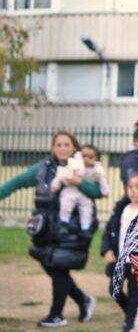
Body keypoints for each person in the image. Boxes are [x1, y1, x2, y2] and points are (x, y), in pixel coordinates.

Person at [0, 131, 102, 327]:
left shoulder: (84, 167)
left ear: (74, 148)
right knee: (50, 264)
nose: (63, 148)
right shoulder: (43, 168)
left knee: (59, 267)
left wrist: (80, 183)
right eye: (59, 144)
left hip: (73, 229)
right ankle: (83, 300)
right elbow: (16, 182)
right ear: (53, 148)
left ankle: (56, 315)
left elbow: (99, 192)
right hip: (47, 229)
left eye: (67, 144)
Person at [102, 171, 138, 332]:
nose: (133, 190)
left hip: (136, 262)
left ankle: (129, 325)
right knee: (114, 290)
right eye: (130, 187)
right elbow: (109, 231)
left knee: (133, 294)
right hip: (120, 260)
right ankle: (133, 313)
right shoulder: (121, 209)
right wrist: (107, 250)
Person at [51, 144, 110, 232]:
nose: (86, 159)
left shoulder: (97, 170)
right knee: (66, 201)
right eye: (84, 156)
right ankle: (63, 222)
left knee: (87, 208)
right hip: (71, 190)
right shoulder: (73, 165)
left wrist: (105, 191)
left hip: (85, 195)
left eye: (90, 157)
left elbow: (103, 181)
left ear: (95, 159)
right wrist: (55, 185)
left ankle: (85, 227)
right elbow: (61, 174)